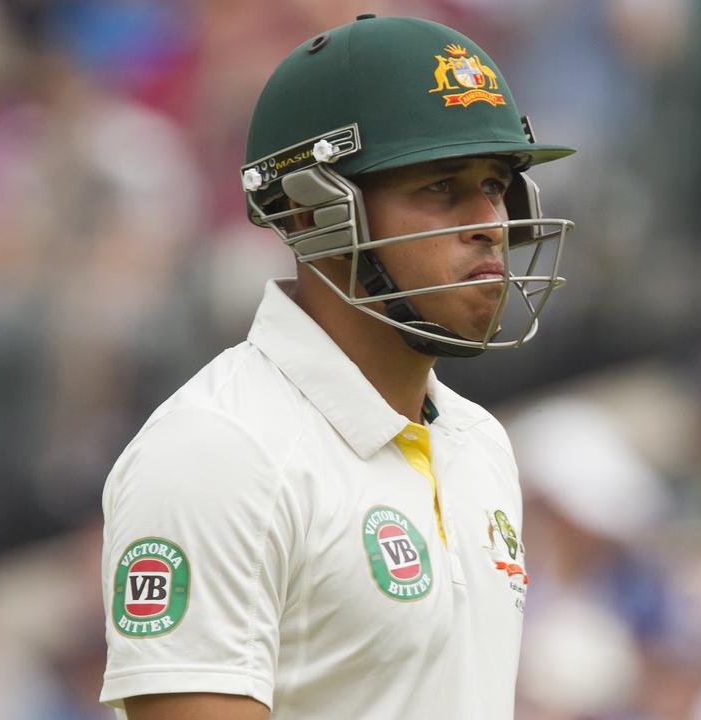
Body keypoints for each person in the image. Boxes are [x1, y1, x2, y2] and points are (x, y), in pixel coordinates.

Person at [99, 14, 575, 720]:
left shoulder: (479, 443)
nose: (492, 221)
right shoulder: (217, 453)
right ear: (312, 210)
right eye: (442, 188)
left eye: (497, 183)